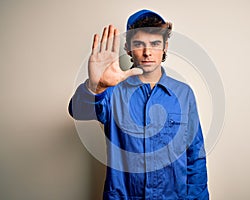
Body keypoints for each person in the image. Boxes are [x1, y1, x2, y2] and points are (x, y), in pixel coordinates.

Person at [69, 9, 209, 200]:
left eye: (155, 43)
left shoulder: (184, 94)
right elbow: (78, 111)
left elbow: (195, 155)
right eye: (139, 44)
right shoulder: (112, 92)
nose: (147, 52)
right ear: (128, 49)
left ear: (165, 46)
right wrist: (97, 86)